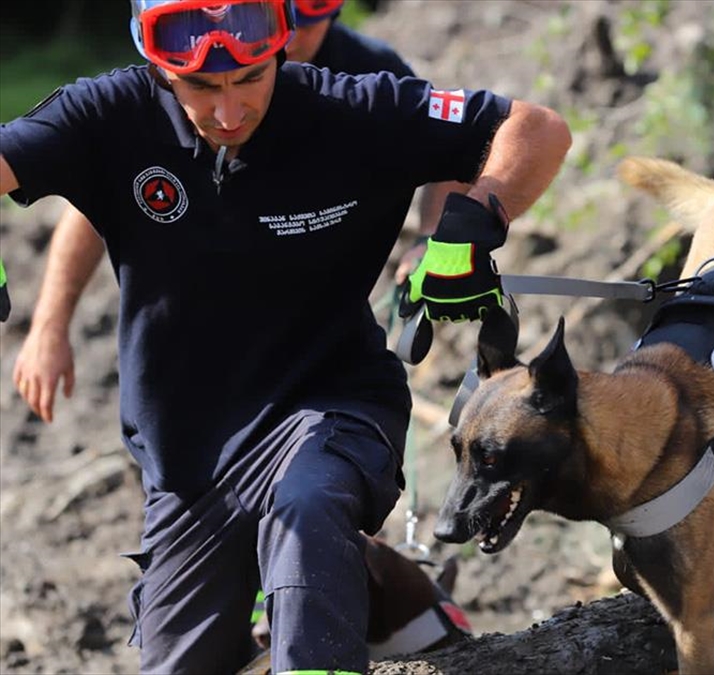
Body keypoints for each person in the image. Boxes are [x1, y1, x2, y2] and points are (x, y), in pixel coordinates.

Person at [0, 0, 571, 673]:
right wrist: (48, 323)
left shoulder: (353, 104)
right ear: (157, 69)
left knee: (306, 503)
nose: (230, 111)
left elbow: (536, 128)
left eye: (249, 80)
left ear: (276, 51)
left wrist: (472, 223)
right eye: (202, 89)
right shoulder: (106, 114)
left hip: (330, 402)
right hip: (188, 457)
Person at [11, 0, 457, 423]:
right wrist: (50, 325)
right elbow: (94, 203)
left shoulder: (369, 77)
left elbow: (452, 149)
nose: (294, 32)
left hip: (316, 342)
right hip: (190, 355)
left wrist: (432, 237)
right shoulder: (157, 98)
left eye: (311, 11)